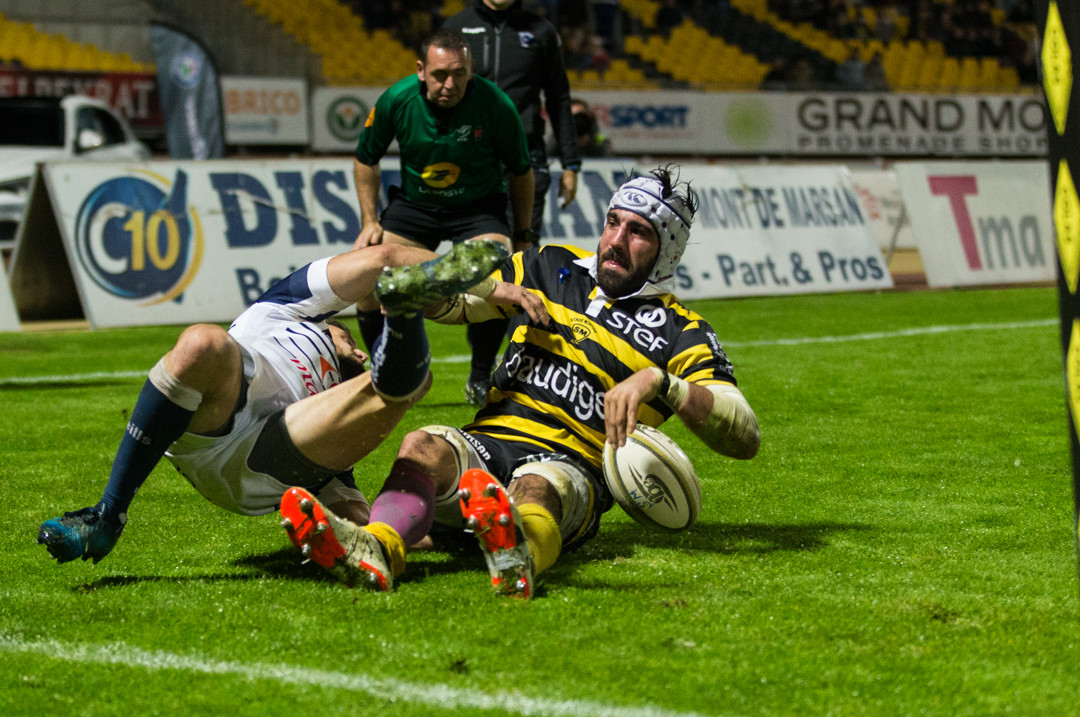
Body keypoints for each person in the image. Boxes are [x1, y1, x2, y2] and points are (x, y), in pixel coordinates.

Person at [280, 166, 761, 599]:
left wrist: (660, 382)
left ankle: (518, 556)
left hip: (574, 465)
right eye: (613, 221)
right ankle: (378, 548)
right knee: (422, 445)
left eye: (638, 232)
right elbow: (446, 307)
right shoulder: (549, 265)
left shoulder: (681, 330)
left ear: (666, 249)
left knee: (538, 483)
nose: (616, 239)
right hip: (490, 444)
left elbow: (744, 434)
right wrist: (486, 288)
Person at [37, 240, 549, 591]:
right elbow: (384, 256)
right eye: (349, 335)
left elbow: (351, 521)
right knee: (203, 342)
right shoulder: (282, 309)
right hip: (218, 420)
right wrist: (489, 286)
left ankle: (405, 315)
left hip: (279, 455)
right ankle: (108, 515)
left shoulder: (343, 409)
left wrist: (425, 537)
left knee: (396, 410)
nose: (351, 344)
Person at [351, 28, 535, 378]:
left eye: (459, 74)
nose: (449, 84)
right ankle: (383, 373)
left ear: (471, 69)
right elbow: (365, 159)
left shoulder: (496, 104)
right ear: (421, 69)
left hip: (479, 209)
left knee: (496, 273)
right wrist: (370, 220)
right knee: (369, 281)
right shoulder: (397, 99)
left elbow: (521, 171)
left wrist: (523, 232)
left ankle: (481, 373)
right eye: (439, 74)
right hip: (416, 207)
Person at [441, 0, 583, 408]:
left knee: (517, 268)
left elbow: (559, 97)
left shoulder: (540, 32)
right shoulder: (456, 28)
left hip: (527, 166)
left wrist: (570, 162)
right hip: (471, 168)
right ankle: (480, 369)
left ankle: (500, 373)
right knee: (483, 271)